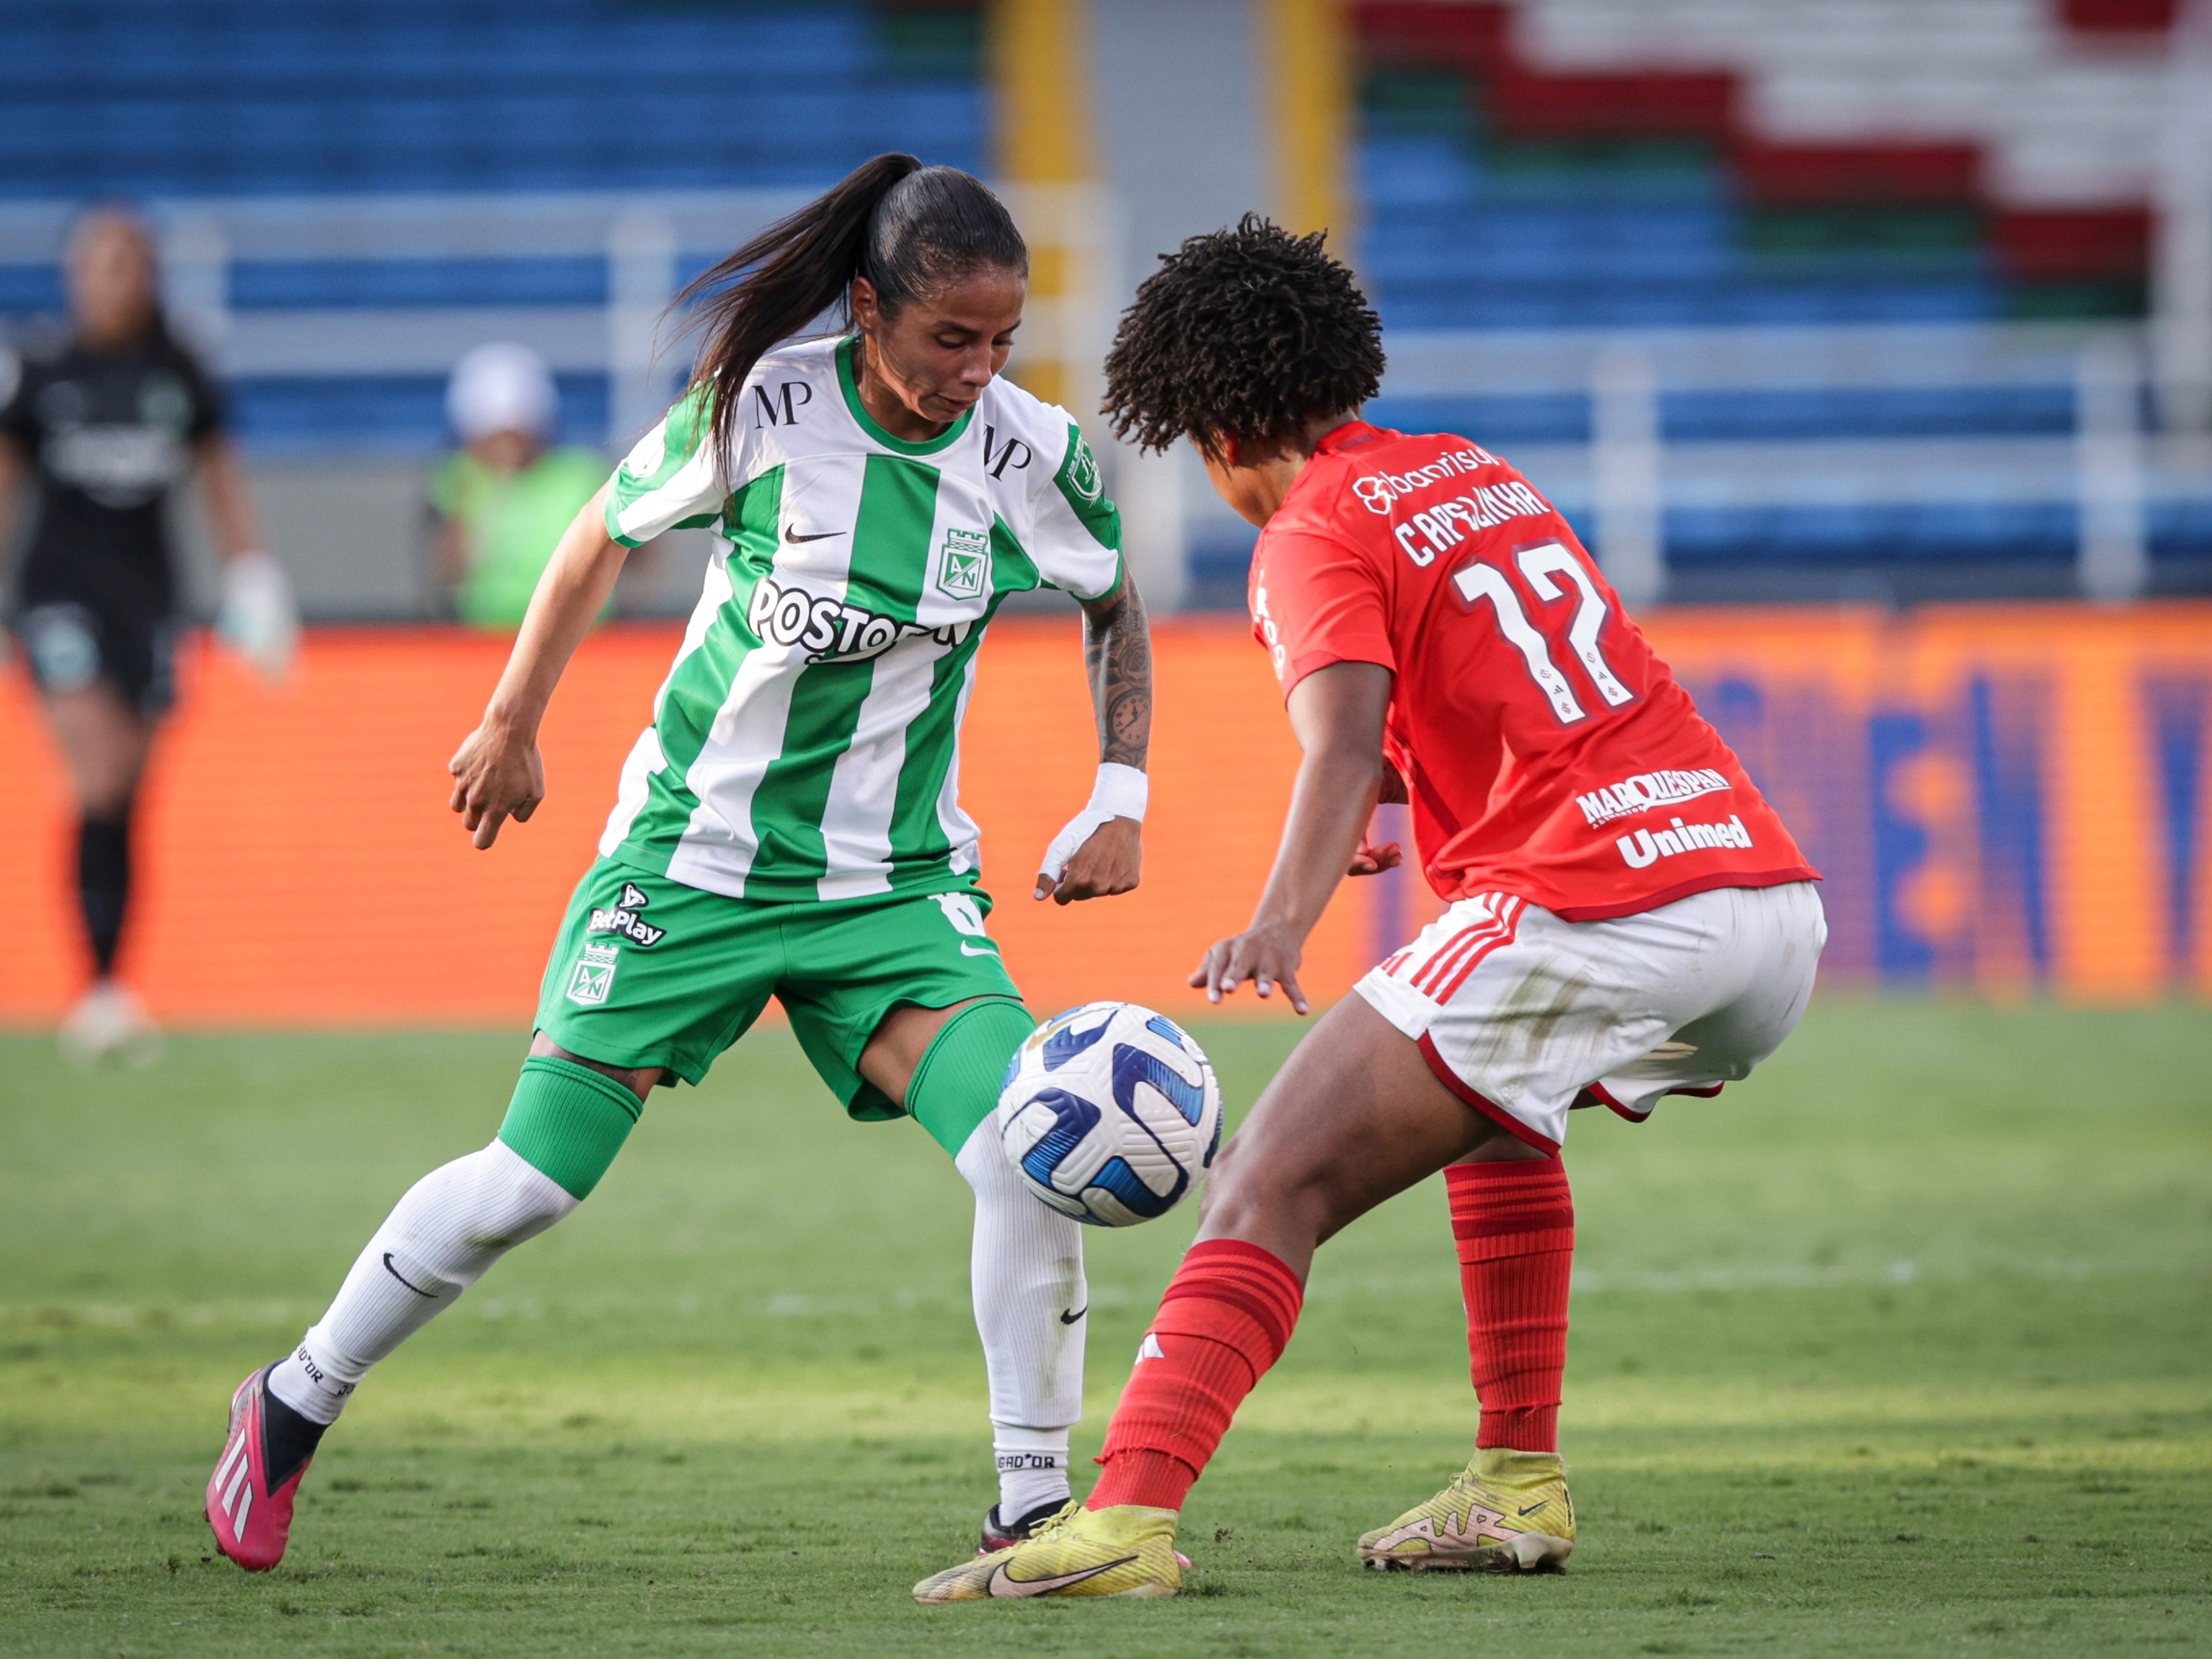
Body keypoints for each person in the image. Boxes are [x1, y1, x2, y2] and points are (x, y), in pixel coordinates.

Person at [203, 155, 1153, 1574]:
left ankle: (1032, 1505)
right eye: (949, 338)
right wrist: (511, 720)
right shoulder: (762, 406)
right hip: (690, 863)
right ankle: (293, 1398)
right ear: (868, 306)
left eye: (1001, 340)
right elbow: (597, 535)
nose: (976, 369)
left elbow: (1114, 601)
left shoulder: (1031, 456)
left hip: (891, 887)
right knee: (529, 1184)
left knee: (1026, 1148)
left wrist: (1121, 789)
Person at [914, 217, 1825, 1602]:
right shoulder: (1469, 473)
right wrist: (1399, 801)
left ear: (1213, 433)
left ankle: (1123, 1520)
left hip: (1593, 896)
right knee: (1496, 1103)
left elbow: (1342, 738)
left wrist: (1280, 917)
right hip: (1761, 900)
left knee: (1267, 1173)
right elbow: (1523, 695)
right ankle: (1516, 1484)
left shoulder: (1308, 527)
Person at [0, 207, 295, 1063]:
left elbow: (218, 478)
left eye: (126, 262)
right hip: (59, 593)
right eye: (96, 262)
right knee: (95, 770)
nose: (111, 278)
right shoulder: (41, 370)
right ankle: (98, 989)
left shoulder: (178, 371)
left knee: (127, 791)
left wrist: (253, 576)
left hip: (151, 601)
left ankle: (107, 985)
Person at [429, 342, 609, 627]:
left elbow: (636, 557)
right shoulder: (462, 478)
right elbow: (449, 573)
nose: (506, 447)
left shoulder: (580, 474)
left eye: (517, 434)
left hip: (582, 637)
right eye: (494, 435)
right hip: (487, 639)